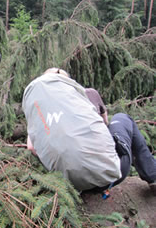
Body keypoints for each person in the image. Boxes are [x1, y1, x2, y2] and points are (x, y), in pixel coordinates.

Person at [22, 67, 156, 194]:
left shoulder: (40, 115)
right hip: (113, 174)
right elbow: (104, 125)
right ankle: (153, 176)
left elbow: (31, 148)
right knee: (122, 118)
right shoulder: (88, 94)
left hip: (73, 186)